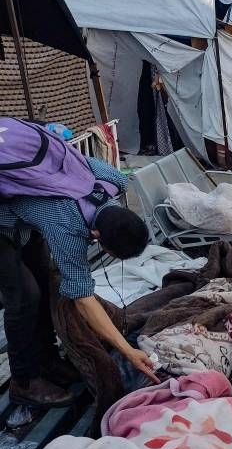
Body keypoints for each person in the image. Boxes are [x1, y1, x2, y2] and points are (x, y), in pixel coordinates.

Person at [0, 117, 158, 407]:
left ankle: (47, 360)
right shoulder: (68, 225)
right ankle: (25, 381)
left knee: (46, 280)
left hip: (22, 206)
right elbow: (83, 297)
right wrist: (128, 351)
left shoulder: (114, 180)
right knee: (23, 296)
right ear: (96, 235)